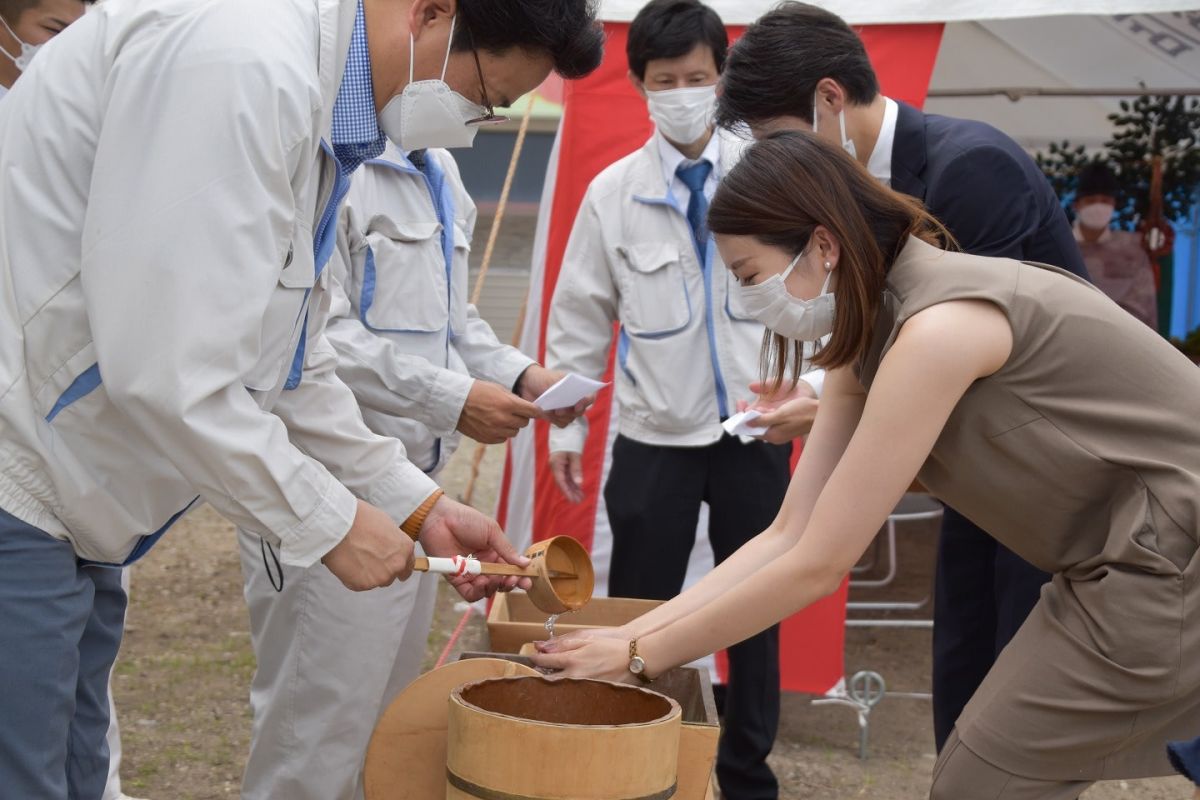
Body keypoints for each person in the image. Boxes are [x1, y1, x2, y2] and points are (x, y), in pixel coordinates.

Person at [0, 0, 602, 797]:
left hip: (83, 502)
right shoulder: (243, 64)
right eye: (482, 96)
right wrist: (329, 522)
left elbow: (293, 357)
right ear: (433, 14)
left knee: (75, 772)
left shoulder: (323, 117)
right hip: (26, 486)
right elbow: (166, 371)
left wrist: (415, 505)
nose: (470, 123)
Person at [533, 130, 1200, 799]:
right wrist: (628, 637)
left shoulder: (938, 329)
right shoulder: (873, 330)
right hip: (1120, 565)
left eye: (748, 276)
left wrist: (641, 656)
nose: (745, 300)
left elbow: (822, 560)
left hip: (1168, 564)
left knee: (983, 776)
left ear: (823, 245)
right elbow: (788, 533)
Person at [712, 0, 1093, 750]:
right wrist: (823, 392)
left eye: (777, 141)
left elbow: (974, 354)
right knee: (961, 683)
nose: (777, 167)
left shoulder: (971, 169)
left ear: (829, 99)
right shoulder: (848, 196)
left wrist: (827, 404)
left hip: (1055, 479)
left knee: (1020, 715)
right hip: (982, 482)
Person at [239, 138, 586, 800]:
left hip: (418, 492)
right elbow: (316, 337)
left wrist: (521, 374)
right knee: (314, 740)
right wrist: (451, 398)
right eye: (491, 89)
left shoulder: (442, 170)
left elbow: (457, 321)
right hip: (332, 495)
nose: (490, 114)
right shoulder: (327, 158)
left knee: (386, 725)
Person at [544, 3, 814, 797]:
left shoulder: (774, 178)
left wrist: (821, 393)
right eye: (667, 82)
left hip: (755, 430)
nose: (684, 94)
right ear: (640, 86)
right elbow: (580, 313)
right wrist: (566, 427)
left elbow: (824, 291)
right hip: (654, 437)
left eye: (698, 79)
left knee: (755, 612)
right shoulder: (614, 192)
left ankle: (746, 773)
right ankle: (638, 762)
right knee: (644, 611)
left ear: (722, 78)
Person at [1073, 161, 1158, 329]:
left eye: (1105, 201)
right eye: (1091, 200)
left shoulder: (1132, 250)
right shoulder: (1058, 246)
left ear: (1113, 204)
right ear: (1076, 205)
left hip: (1123, 342)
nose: (1098, 207)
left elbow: (1146, 310)